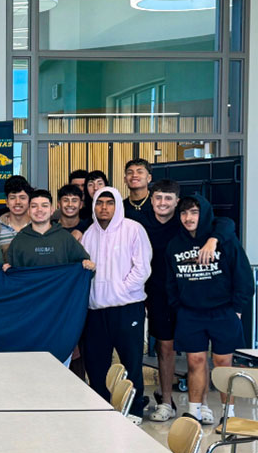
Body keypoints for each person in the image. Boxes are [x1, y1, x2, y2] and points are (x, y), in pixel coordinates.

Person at [134, 180, 235, 423]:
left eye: (168, 199)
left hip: (191, 297)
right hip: (158, 295)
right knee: (165, 348)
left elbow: (225, 222)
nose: (162, 203)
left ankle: (202, 405)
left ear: (176, 202)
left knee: (198, 355)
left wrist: (213, 240)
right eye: (158, 198)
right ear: (151, 198)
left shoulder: (188, 221)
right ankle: (166, 402)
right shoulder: (140, 221)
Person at [166, 194, 252, 426]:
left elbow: (243, 276)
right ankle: (194, 411)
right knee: (195, 361)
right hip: (190, 313)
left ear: (203, 213)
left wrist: (237, 308)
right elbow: (170, 282)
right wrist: (178, 306)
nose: (188, 217)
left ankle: (229, 414)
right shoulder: (175, 244)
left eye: (194, 212)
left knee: (224, 363)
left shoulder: (224, 239)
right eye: (184, 213)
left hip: (223, 311)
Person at [81, 187, 152, 422]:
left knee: (130, 361)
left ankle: (133, 410)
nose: (104, 207)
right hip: (96, 311)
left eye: (109, 203)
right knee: (96, 364)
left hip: (127, 307)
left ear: (117, 206)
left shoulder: (133, 229)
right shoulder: (88, 234)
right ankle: (102, 408)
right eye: (99, 203)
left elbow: (142, 268)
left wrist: (120, 290)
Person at [6, 189, 94, 270]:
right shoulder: (19, 240)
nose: (39, 210)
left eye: (44, 206)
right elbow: (11, 275)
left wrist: (87, 264)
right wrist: (6, 269)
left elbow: (85, 264)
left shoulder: (65, 238)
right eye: (34, 206)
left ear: (52, 210)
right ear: (28, 211)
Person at [0, 176, 32, 262]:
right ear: (7, 202)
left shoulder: (38, 227)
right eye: (12, 198)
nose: (17, 202)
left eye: (22, 198)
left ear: (29, 201)